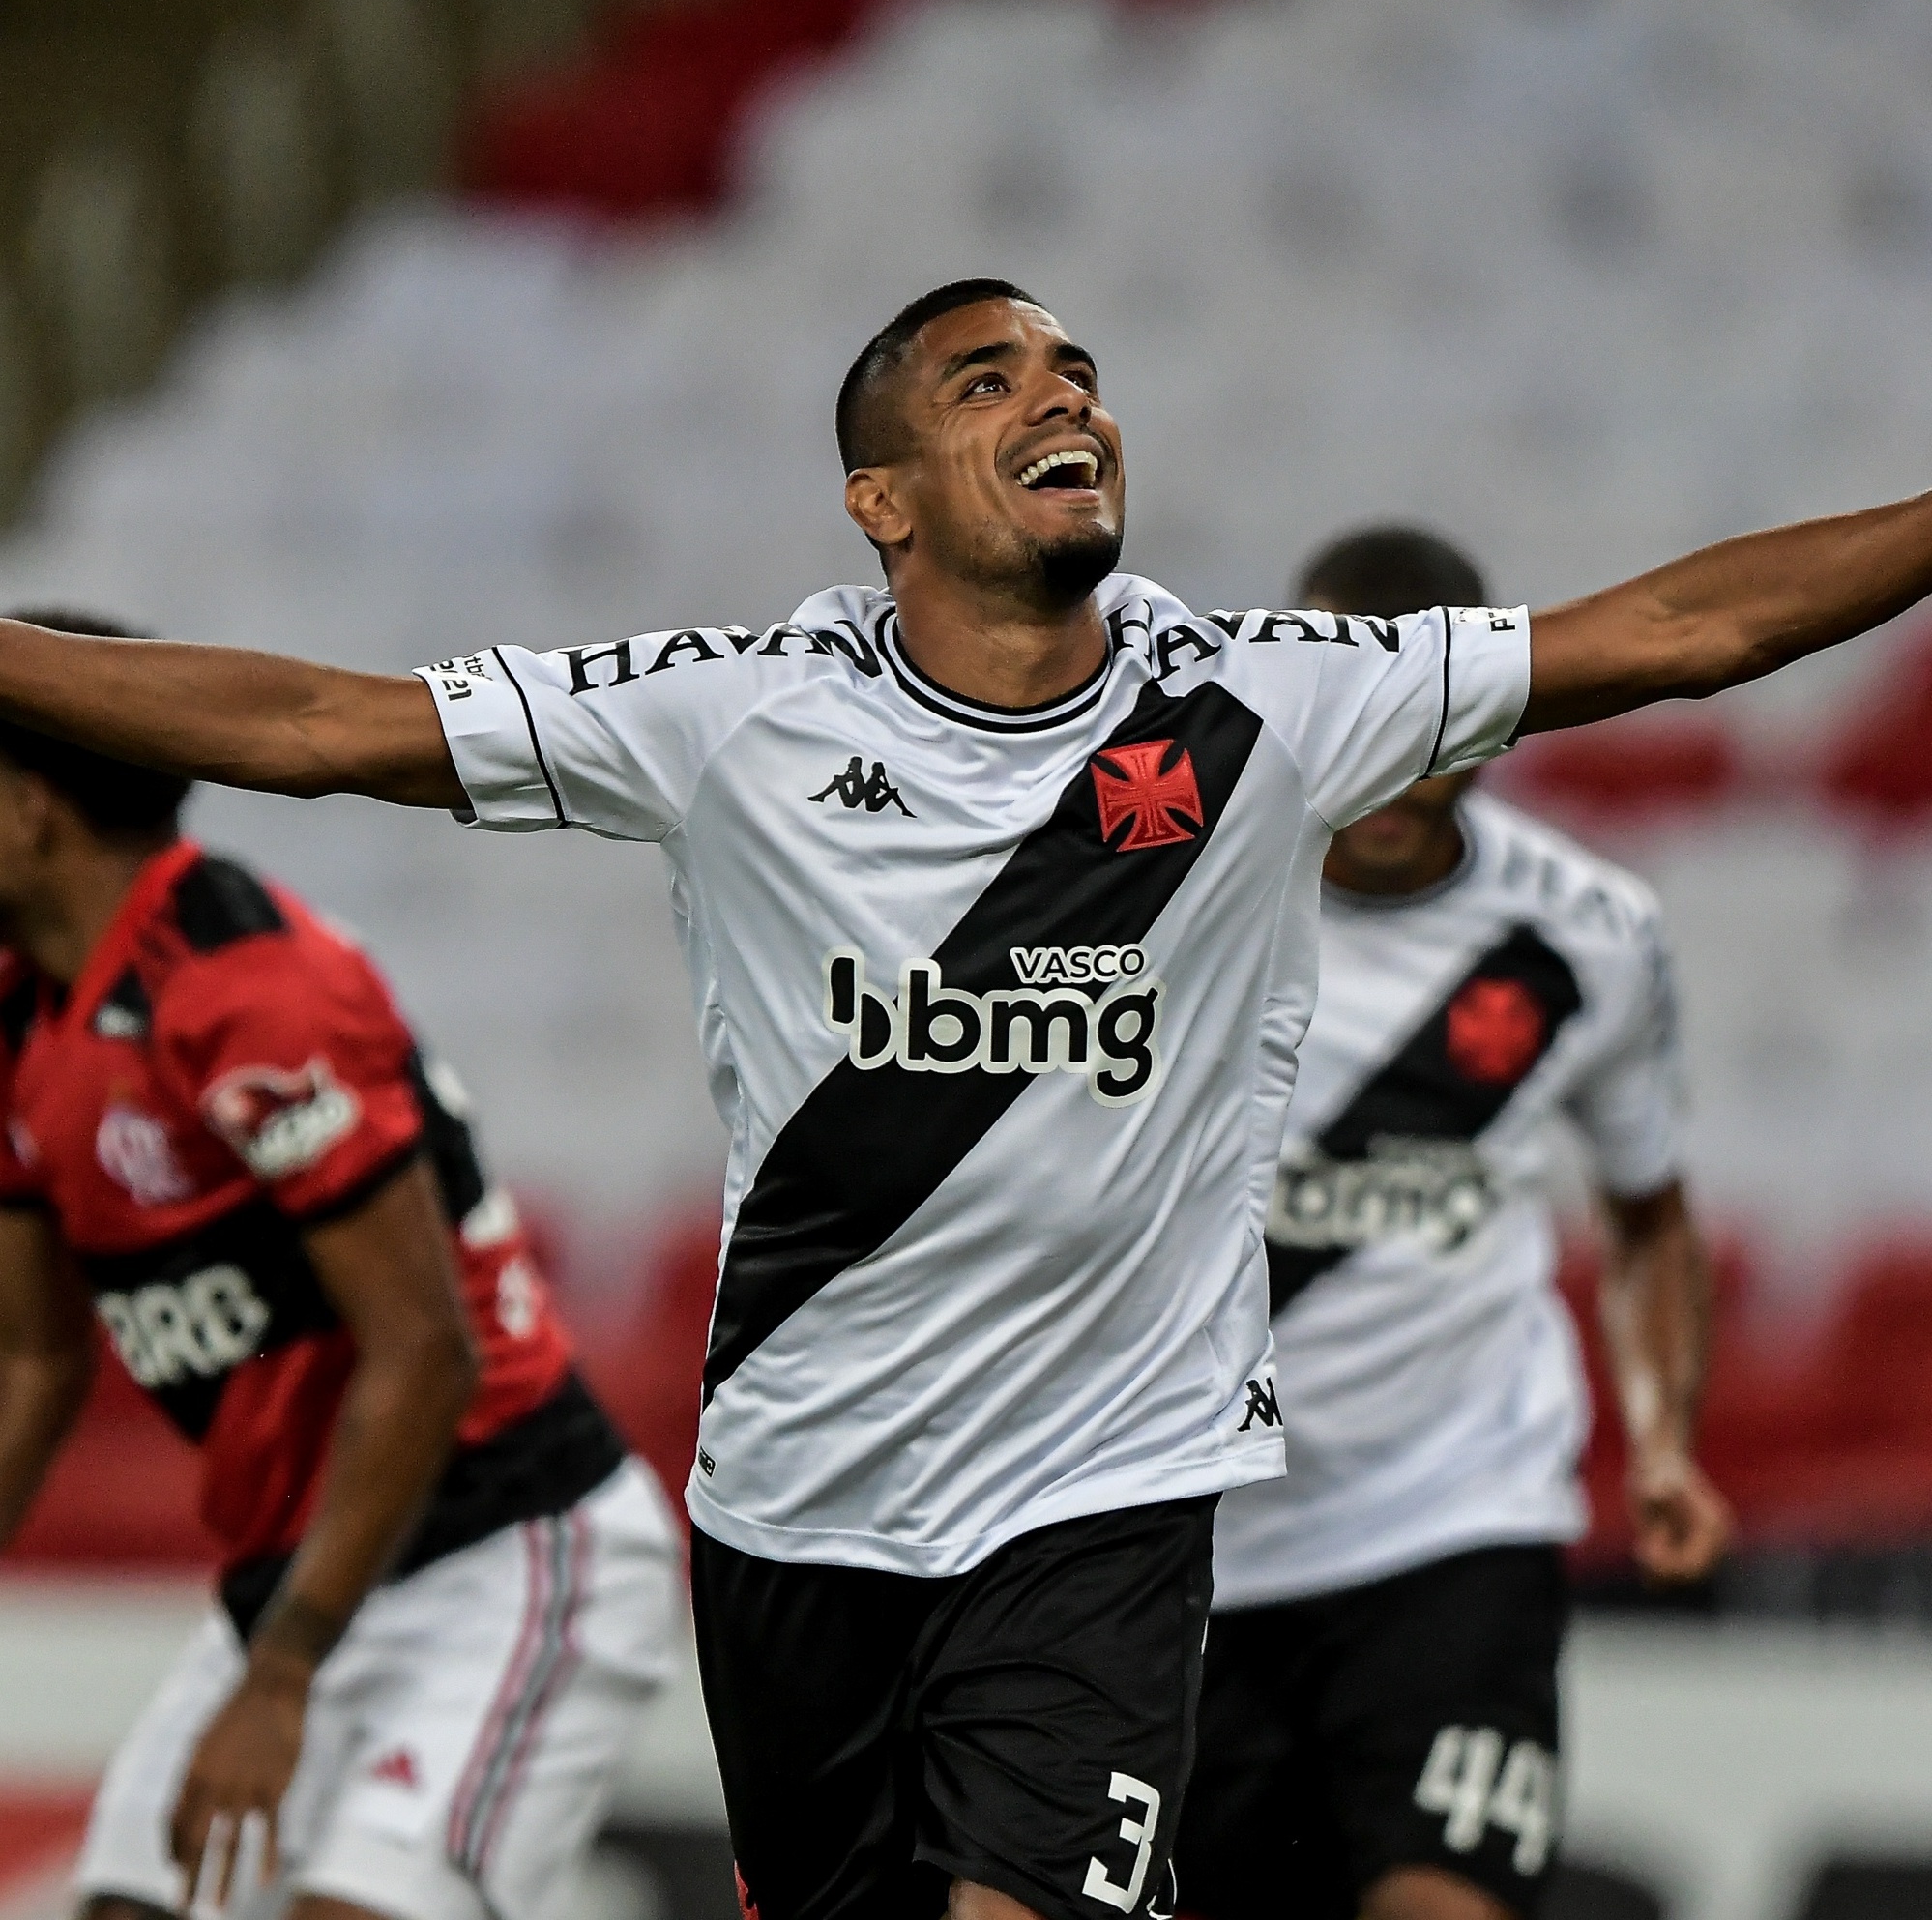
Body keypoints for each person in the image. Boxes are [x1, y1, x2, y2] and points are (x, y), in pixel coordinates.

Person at [0, 278, 1919, 1920]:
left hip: (1105, 1500)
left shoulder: (1265, 700)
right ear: (882, 500)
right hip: (805, 1507)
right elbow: (327, 729)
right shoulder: (728, 712)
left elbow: (1680, 635)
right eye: (986, 381)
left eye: (1073, 370)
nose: (1061, 393)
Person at [0, 615, 679, 1920]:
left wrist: (283, 1675)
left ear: (31, 811)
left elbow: (426, 1350)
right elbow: (33, 1354)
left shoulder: (246, 991)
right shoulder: (23, 1015)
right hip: (305, 1569)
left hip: (502, 1548)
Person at [1169, 527, 1733, 1920]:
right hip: (1172, 1540)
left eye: (1431, 718)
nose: (1397, 766)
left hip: (1448, 1524)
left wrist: (1662, 1439)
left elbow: (1650, 1217)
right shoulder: (1168, 901)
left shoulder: (1586, 934)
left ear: (1489, 707)